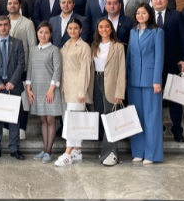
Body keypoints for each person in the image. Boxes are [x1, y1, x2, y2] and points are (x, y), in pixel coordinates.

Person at [0, 16, 26, 161]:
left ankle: (15, 149)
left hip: (13, 86)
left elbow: (21, 64)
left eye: (6, 24)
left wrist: (12, 82)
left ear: (10, 26)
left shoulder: (18, 43)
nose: (3, 27)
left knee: (14, 119)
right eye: (0, 25)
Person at [127, 3, 165, 165]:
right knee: (136, 117)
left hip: (150, 81)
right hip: (133, 80)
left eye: (143, 13)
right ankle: (138, 152)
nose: (140, 16)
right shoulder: (132, 32)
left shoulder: (157, 32)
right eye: (138, 13)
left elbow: (159, 58)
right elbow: (129, 55)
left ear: (149, 14)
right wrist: (126, 77)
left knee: (151, 118)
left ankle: (152, 154)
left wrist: (157, 80)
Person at [152, 0, 184, 142]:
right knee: (155, 99)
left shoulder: (177, 15)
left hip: (173, 64)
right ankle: (158, 129)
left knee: (175, 98)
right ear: (151, 1)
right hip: (152, 66)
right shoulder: (146, 16)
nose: (159, 1)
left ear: (167, 1)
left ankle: (177, 130)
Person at [88, 18, 126, 166]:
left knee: (110, 118)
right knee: (101, 117)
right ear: (97, 29)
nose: (103, 29)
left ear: (111, 29)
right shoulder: (94, 46)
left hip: (110, 84)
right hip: (96, 82)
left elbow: (122, 70)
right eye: (101, 27)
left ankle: (110, 154)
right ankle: (110, 151)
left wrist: (120, 92)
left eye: (107, 27)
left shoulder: (118, 47)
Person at [55, 18, 92, 167]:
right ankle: (77, 150)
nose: (73, 31)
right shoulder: (65, 45)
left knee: (72, 121)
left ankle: (68, 153)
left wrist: (82, 91)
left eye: (76, 28)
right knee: (70, 120)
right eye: (70, 28)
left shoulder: (84, 47)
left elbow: (85, 70)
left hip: (77, 90)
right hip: (65, 89)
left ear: (81, 30)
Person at [25, 22, 62, 164]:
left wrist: (51, 89)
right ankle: (44, 148)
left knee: (50, 120)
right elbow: (30, 69)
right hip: (37, 89)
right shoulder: (34, 50)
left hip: (50, 90)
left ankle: (49, 151)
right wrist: (28, 88)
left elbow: (57, 70)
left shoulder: (54, 50)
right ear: (37, 33)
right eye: (41, 32)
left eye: (46, 32)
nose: (43, 35)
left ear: (50, 34)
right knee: (43, 120)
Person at [6, 0, 37, 140]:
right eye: (10, 3)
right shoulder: (1, 20)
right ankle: (6, 126)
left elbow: (32, 46)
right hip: (5, 67)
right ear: (7, 6)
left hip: (22, 67)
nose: (12, 5)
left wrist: (30, 67)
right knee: (7, 97)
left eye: (15, 3)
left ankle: (22, 127)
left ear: (20, 6)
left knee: (22, 99)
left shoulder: (28, 23)